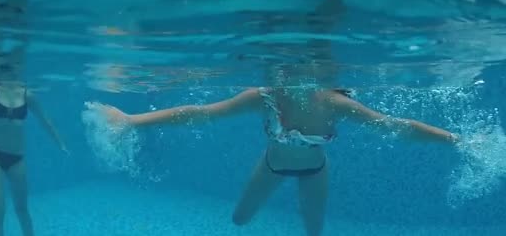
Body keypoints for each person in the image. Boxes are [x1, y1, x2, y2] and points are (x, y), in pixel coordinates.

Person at [90, 83, 458, 236]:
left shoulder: (334, 103)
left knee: (313, 232)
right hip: (272, 165)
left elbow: (396, 126)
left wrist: (455, 139)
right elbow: (198, 113)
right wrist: (131, 120)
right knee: (239, 219)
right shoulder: (261, 97)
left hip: (315, 171)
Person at [0, 46, 68, 236]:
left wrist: (60, 144)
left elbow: (46, 122)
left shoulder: (27, 94)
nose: (5, 71)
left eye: (8, 67)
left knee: (22, 209)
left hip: (17, 158)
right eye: (1, 68)